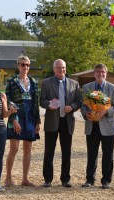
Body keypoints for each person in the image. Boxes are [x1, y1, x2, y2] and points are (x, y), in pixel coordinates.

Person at [40, 59, 81, 188]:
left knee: (66, 152)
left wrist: (73, 107)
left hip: (67, 121)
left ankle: (65, 179)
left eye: (63, 68)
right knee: (49, 152)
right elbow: (42, 101)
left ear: (65, 68)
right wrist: (49, 104)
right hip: (52, 121)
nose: (61, 70)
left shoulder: (74, 84)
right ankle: (47, 179)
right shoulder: (46, 83)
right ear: (54, 69)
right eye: (58, 68)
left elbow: (79, 101)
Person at [81, 63, 114, 189]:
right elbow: (83, 105)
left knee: (108, 154)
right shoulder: (87, 87)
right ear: (94, 74)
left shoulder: (113, 88)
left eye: (102, 72)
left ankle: (106, 181)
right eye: (98, 72)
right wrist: (86, 113)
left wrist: (106, 111)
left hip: (107, 126)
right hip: (91, 125)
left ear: (106, 73)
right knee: (92, 154)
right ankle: (89, 180)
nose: (100, 74)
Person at [4, 55, 41, 187]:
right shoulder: (11, 81)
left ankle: (25, 178)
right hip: (17, 117)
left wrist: (38, 121)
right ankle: (8, 177)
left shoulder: (34, 82)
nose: (25, 67)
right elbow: (8, 101)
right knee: (14, 148)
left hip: (30, 117)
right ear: (18, 66)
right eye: (22, 64)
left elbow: (36, 102)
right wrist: (13, 120)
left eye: (27, 65)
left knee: (28, 149)